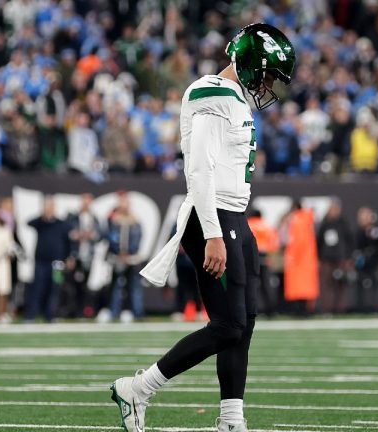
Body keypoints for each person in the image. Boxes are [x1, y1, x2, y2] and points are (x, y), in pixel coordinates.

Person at [111, 23, 296, 432]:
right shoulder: (211, 91)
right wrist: (213, 233)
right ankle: (138, 388)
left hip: (235, 215)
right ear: (248, 64)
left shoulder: (235, 99)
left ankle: (232, 418)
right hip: (212, 216)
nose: (268, 85)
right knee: (227, 324)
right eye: (266, 74)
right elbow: (199, 169)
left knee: (244, 322)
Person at [26, 196, 72, 322]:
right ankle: (32, 315)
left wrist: (68, 257)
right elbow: (29, 222)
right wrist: (42, 217)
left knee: (55, 288)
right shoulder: (41, 223)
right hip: (41, 261)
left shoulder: (61, 224)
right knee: (37, 288)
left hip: (58, 263)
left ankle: (51, 314)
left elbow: (68, 242)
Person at [106, 191, 144, 322]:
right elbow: (112, 238)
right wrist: (119, 252)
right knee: (116, 286)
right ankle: (114, 312)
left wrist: (131, 252)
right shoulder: (113, 219)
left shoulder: (135, 220)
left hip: (132, 259)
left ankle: (137, 313)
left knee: (134, 287)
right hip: (117, 258)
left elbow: (138, 238)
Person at [66, 193, 100, 318]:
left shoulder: (94, 218)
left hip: (88, 256)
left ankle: (82, 311)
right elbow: (67, 234)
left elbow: (99, 234)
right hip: (76, 256)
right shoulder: (73, 217)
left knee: (85, 285)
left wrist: (91, 235)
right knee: (72, 285)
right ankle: (72, 310)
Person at [316, 199, 354, 314]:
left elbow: (349, 241)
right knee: (327, 285)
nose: (333, 211)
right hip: (326, 259)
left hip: (340, 259)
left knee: (341, 284)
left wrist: (348, 258)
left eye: (335, 209)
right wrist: (319, 257)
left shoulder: (343, 223)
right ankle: (326, 309)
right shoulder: (324, 223)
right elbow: (319, 241)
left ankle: (340, 309)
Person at [282, 201, 320, 315]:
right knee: (306, 288)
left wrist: (292, 256)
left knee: (299, 288)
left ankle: (300, 311)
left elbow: (298, 241)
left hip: (298, 260)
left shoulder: (298, 221)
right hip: (307, 260)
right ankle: (305, 310)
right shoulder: (307, 221)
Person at [246, 208, 280, 317]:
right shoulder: (267, 226)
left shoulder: (249, 224)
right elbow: (274, 244)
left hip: (251, 256)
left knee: (251, 284)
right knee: (266, 284)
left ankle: (254, 309)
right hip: (265, 256)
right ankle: (270, 310)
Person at [353, 206, 378, 313]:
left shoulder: (375, 230)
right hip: (361, 263)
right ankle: (361, 308)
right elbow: (356, 247)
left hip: (373, 262)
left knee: (374, 286)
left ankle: (374, 308)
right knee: (360, 286)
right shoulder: (358, 231)